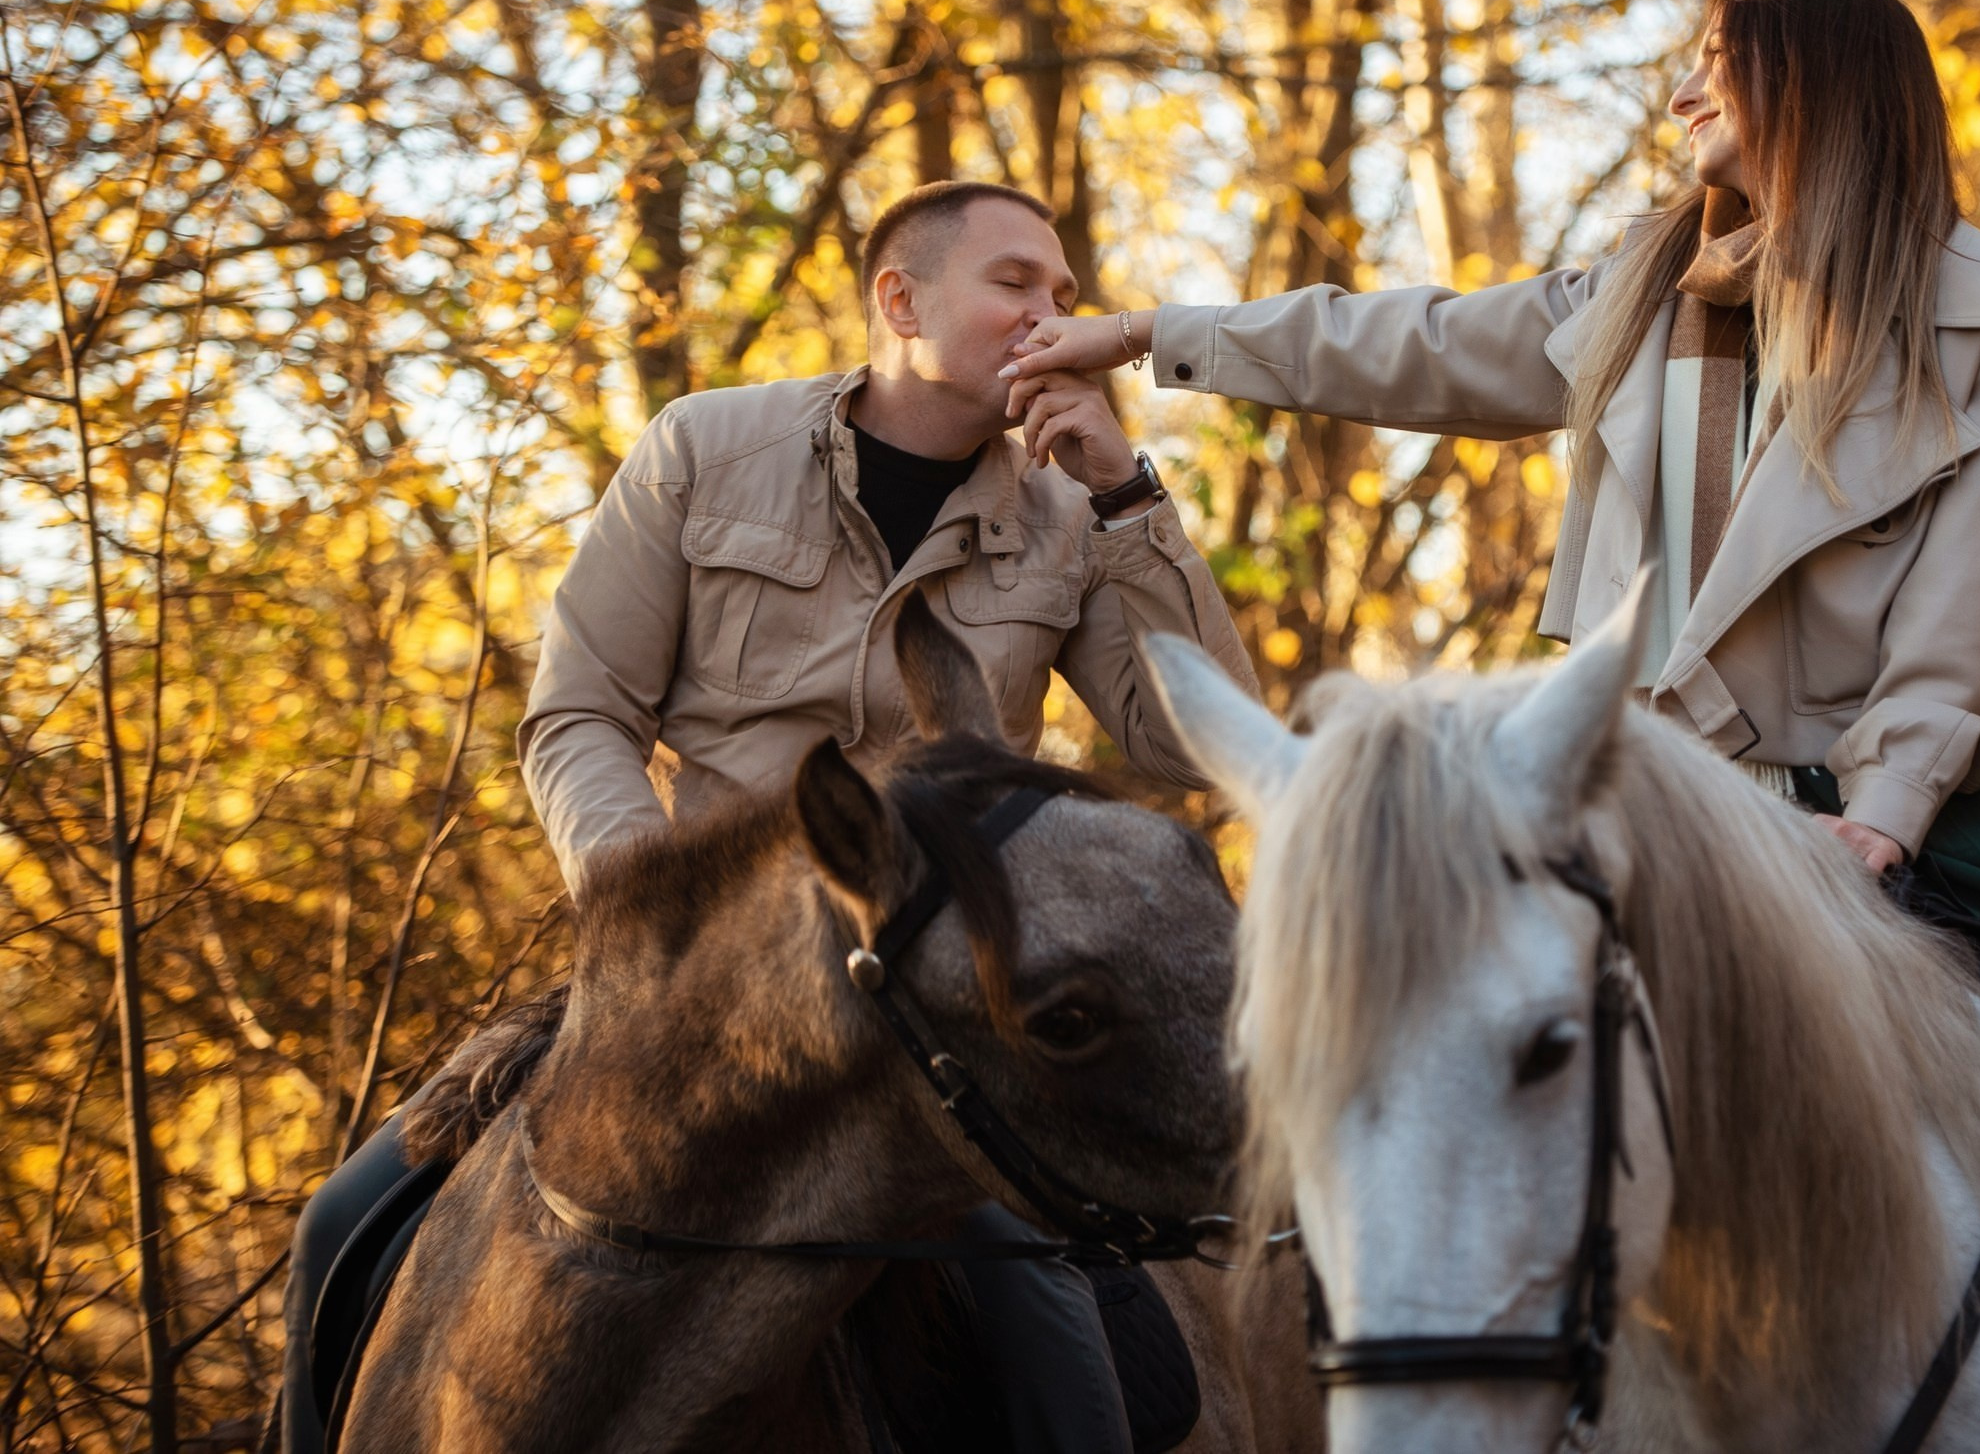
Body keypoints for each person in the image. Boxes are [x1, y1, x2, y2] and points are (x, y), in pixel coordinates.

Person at [1004, 0, 1980, 1447]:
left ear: (1818, 85)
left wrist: (1884, 818)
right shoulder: (1640, 288)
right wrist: (1148, 337)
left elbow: (1976, 616)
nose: (1685, 93)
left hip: (1957, 781)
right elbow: (1411, 339)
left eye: (1717, 64)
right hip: (1683, 789)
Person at [276, 180, 1256, 1454]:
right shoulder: (701, 448)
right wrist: (662, 951)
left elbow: (1205, 743)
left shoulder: (1068, 513)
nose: (1054, 313)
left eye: (1066, 295)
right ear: (898, 300)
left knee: (1077, 1365)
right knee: (338, 1226)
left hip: (936, 1016)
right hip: (685, 981)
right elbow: (577, 715)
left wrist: (1129, 497)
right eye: (1016, 281)